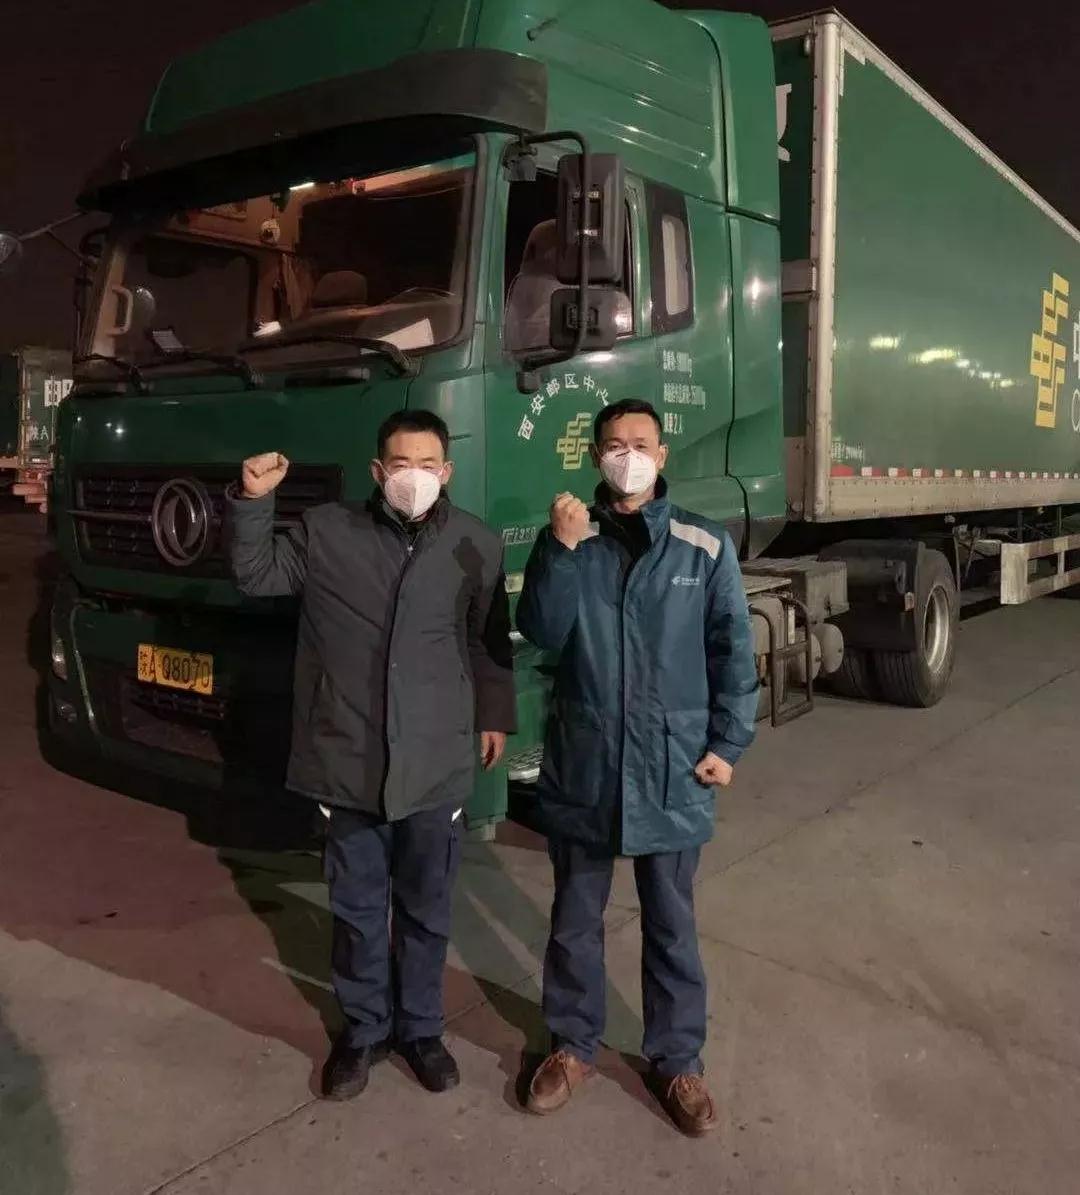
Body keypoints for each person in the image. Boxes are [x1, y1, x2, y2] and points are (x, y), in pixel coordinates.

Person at [226, 409, 515, 1100]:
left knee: (426, 911)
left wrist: (494, 715)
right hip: (347, 757)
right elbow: (256, 574)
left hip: (435, 761)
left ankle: (421, 1030)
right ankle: (362, 1031)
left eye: (428, 464)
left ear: (446, 471)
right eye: (400, 464)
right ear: (378, 470)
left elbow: (487, 641)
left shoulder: (475, 543)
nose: (414, 476)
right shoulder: (327, 531)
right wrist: (252, 501)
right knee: (357, 912)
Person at [516, 398, 758, 1137]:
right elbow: (541, 630)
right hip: (586, 761)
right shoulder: (569, 538)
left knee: (672, 923)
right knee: (573, 919)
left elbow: (732, 649)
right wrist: (558, 552)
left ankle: (678, 1059)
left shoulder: (703, 545)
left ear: (663, 454)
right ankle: (571, 1046)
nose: (629, 456)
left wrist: (728, 742)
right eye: (615, 445)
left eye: (641, 443)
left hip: (673, 765)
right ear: (595, 457)